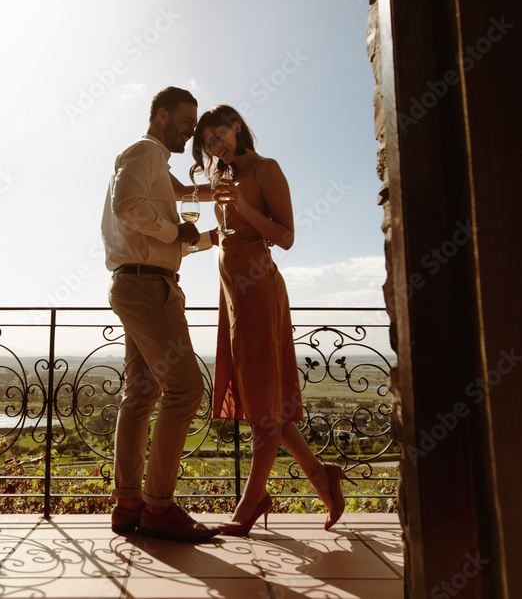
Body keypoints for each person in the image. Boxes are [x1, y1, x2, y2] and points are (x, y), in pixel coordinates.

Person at [191, 104, 356, 535]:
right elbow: (184, 194)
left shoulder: (266, 169)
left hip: (260, 291)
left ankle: (250, 504)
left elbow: (286, 238)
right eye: (207, 141)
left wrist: (243, 207)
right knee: (263, 401)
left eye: (219, 135)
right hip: (233, 297)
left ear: (237, 127)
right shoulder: (220, 177)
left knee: (264, 404)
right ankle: (323, 479)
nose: (214, 145)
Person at [101, 87, 220, 542]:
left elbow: (165, 236)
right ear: (161, 114)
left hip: (139, 281)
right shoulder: (147, 150)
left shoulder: (152, 164)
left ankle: (129, 503)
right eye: (186, 120)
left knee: (141, 392)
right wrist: (177, 228)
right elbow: (127, 207)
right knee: (186, 389)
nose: (189, 130)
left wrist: (211, 238)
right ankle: (159, 508)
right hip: (149, 288)